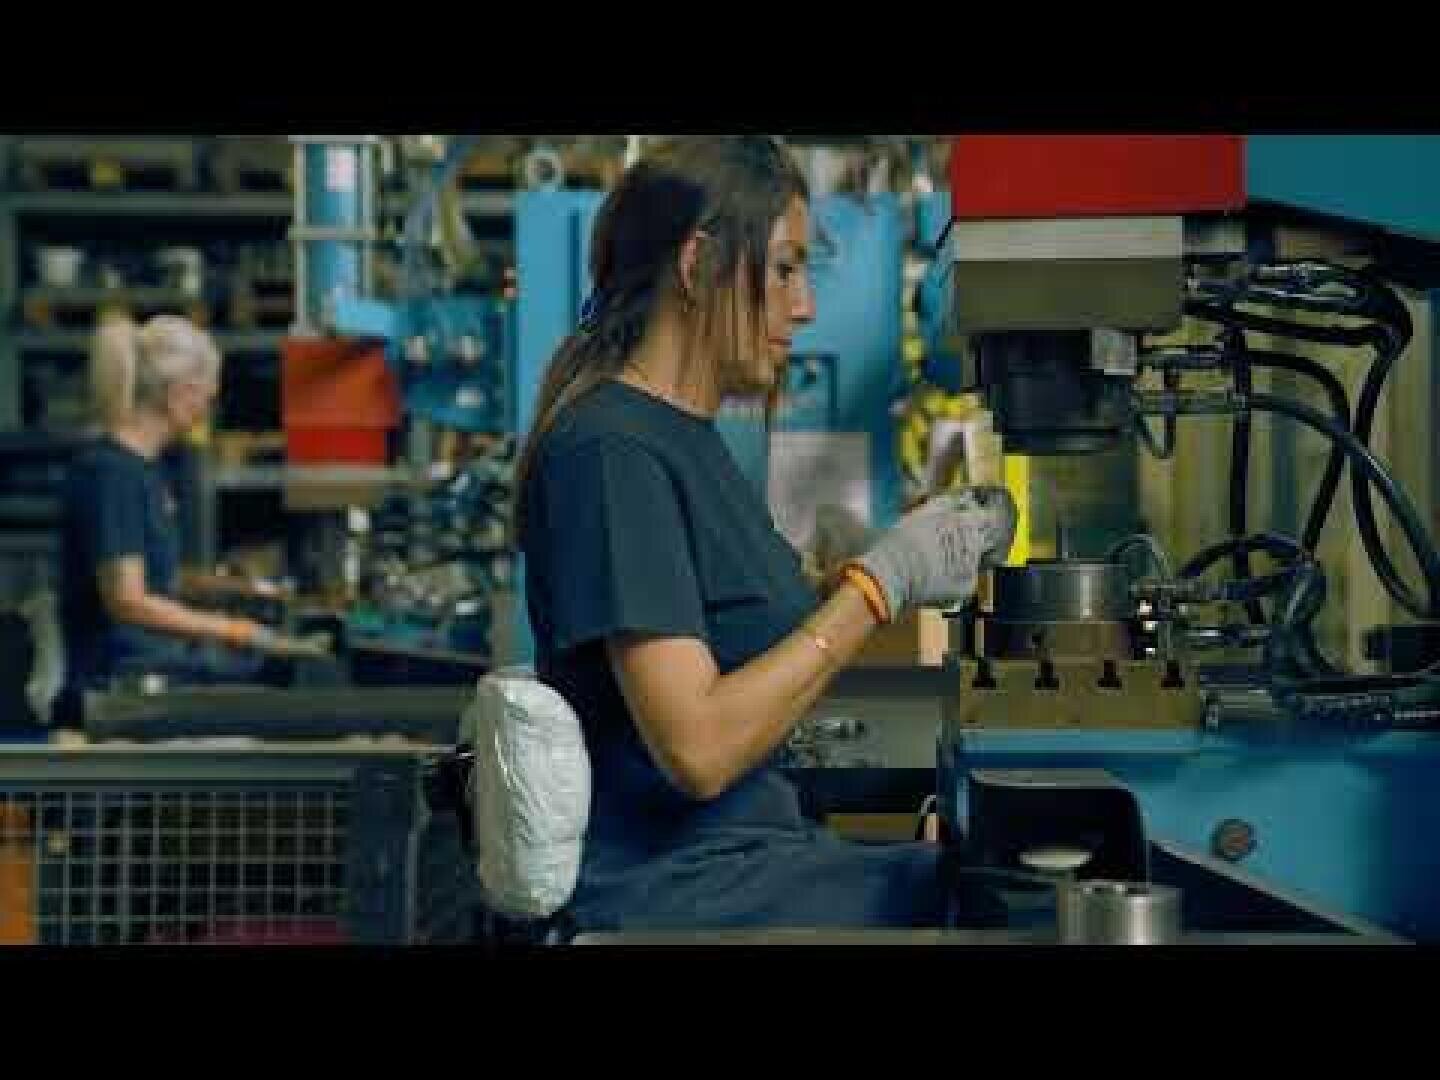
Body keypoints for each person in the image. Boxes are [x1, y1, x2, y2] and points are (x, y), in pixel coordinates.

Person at [514, 136, 1016, 932]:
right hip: (676, 888)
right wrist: (877, 586)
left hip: (750, 859)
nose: (806, 304)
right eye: (785, 269)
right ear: (696, 265)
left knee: (994, 873)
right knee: (1013, 907)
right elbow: (699, 748)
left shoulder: (686, 438)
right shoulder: (612, 451)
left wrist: (894, 567)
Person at [56, 312, 328, 723]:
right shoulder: (111, 474)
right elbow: (127, 599)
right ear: (179, 394)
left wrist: (243, 590)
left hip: (147, 672)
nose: (208, 409)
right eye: (207, 397)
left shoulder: (145, 470)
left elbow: (156, 578)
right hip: (115, 688)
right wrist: (236, 631)